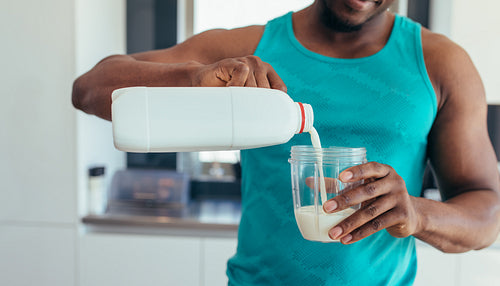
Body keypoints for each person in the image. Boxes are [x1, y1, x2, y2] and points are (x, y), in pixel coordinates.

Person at [72, 0, 500, 284]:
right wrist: (190, 78)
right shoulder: (248, 47)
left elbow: (489, 212)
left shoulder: (440, 63)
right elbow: (90, 88)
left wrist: (418, 213)